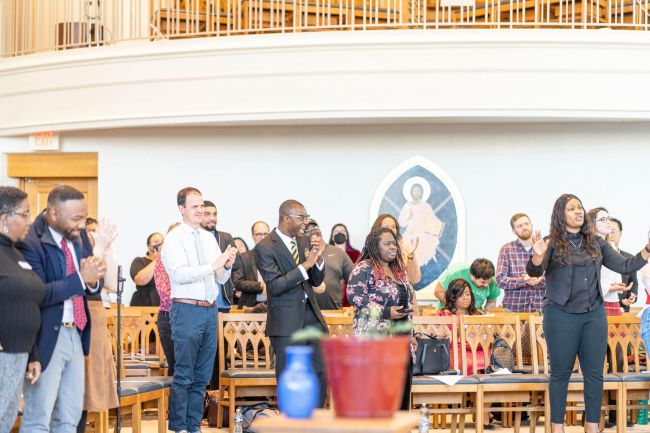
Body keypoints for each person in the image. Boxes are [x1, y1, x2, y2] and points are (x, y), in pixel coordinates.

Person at [527, 193, 650, 433]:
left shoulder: (597, 242)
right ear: (560, 214)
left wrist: (646, 250)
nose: (579, 211)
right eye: (572, 208)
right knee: (561, 374)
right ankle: (557, 427)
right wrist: (538, 254)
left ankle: (592, 426)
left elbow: (625, 266)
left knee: (594, 373)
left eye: (580, 208)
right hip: (560, 314)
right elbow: (534, 271)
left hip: (593, 314)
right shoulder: (551, 242)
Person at [19, 185, 106, 433]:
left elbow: (92, 282)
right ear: (54, 214)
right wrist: (81, 278)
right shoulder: (30, 242)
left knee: (70, 417)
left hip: (75, 331)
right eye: (76, 218)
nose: (80, 224)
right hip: (46, 335)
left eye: (83, 216)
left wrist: (92, 279)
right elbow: (39, 293)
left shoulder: (76, 237)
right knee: (39, 418)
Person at [162, 187, 236, 433]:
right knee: (184, 372)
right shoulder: (174, 238)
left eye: (202, 205)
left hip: (209, 310)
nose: (200, 210)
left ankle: (194, 425)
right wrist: (211, 266)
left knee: (203, 374)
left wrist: (226, 265)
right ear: (181, 209)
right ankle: (179, 426)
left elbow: (221, 278)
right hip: (186, 309)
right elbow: (179, 274)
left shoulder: (207, 237)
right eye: (194, 206)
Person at [254, 199, 329, 407]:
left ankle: (316, 421)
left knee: (321, 371)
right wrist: (306, 265)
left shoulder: (304, 241)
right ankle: (292, 423)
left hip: (312, 317)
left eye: (307, 217)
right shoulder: (265, 247)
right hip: (286, 322)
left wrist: (319, 260)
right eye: (301, 217)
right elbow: (276, 286)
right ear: (286, 218)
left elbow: (315, 280)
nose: (306, 222)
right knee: (290, 376)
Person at [347, 226, 415, 411]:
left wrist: (412, 333)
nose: (393, 247)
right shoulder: (364, 268)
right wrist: (386, 312)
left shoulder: (399, 270)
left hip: (401, 340)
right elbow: (355, 296)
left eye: (394, 243)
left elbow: (407, 302)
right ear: (375, 246)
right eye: (387, 243)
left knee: (401, 394)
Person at [0, 187, 45, 433]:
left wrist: (33, 354)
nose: (30, 219)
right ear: (5, 218)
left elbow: (25, 305)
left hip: (19, 352)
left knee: (5, 420)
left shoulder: (16, 252)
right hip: (3, 351)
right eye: (25, 213)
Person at [79, 219, 120, 433]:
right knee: (76, 391)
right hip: (80, 311)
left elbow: (112, 284)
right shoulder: (76, 248)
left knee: (88, 390)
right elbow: (85, 282)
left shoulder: (96, 248)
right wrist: (99, 247)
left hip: (96, 315)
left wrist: (108, 249)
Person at [496, 213, 546, 312]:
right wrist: (523, 280)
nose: (524, 227)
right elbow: (500, 280)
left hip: (541, 309)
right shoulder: (507, 249)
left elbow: (556, 278)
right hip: (513, 311)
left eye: (526, 224)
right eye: (519, 226)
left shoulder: (544, 248)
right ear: (514, 231)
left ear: (531, 225)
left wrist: (541, 279)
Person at [587, 207, 633, 316]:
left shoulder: (611, 245)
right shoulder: (588, 247)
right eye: (603, 219)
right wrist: (610, 287)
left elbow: (617, 271)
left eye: (608, 218)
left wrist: (617, 285)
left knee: (615, 332)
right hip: (595, 301)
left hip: (613, 300)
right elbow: (587, 280)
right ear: (592, 224)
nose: (608, 222)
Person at [306, 219, 353, 311]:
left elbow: (354, 280)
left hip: (334, 311)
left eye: (315, 227)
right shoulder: (301, 253)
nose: (312, 230)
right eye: (307, 229)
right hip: (307, 312)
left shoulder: (338, 253)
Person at [153, 222, 180, 377]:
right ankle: (175, 402)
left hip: (189, 316)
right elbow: (165, 293)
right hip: (169, 318)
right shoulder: (162, 262)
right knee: (176, 367)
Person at [397, 179, 444, 266]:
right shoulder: (407, 206)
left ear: (421, 192)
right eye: (415, 191)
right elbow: (401, 223)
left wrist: (437, 227)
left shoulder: (425, 206)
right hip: (409, 237)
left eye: (418, 191)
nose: (416, 193)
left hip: (423, 238)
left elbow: (432, 220)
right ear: (411, 192)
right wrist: (408, 217)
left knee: (422, 262)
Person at [201, 200, 237, 312]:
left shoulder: (225, 237)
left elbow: (237, 265)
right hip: (200, 301)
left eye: (215, 214)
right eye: (207, 214)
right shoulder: (192, 238)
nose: (212, 218)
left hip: (223, 301)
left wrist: (226, 264)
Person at [371, 214, 421, 285]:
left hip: (404, 294)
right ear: (378, 229)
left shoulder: (405, 249)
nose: (391, 230)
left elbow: (414, 279)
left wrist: (411, 255)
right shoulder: (371, 250)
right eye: (386, 227)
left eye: (393, 227)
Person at [434, 259, 500, 311]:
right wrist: (456, 308)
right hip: (448, 315)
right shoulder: (456, 272)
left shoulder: (494, 281)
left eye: (488, 282)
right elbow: (438, 292)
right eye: (483, 282)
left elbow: (491, 303)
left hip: (473, 317)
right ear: (472, 276)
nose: (486, 285)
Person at [232, 221, 270, 308]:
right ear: (253, 236)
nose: (263, 237)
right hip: (249, 306)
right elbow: (237, 283)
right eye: (259, 234)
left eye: (266, 234)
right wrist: (260, 285)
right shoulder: (243, 257)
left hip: (273, 307)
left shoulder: (277, 256)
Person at [608, 218, 639, 312]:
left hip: (623, 310)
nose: (609, 235)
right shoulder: (597, 258)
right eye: (607, 231)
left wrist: (631, 297)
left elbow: (634, 283)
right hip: (601, 310)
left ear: (620, 234)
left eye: (613, 231)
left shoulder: (629, 258)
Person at [329, 223, 360, 308]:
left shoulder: (356, 254)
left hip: (350, 295)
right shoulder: (325, 254)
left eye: (342, 231)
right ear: (332, 237)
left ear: (347, 236)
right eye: (336, 231)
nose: (339, 233)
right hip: (331, 295)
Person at [129, 233, 162, 306]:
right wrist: (157, 260)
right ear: (149, 246)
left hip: (164, 308)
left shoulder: (168, 263)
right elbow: (140, 280)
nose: (160, 245)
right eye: (157, 242)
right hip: (144, 305)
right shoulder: (139, 261)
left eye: (162, 242)